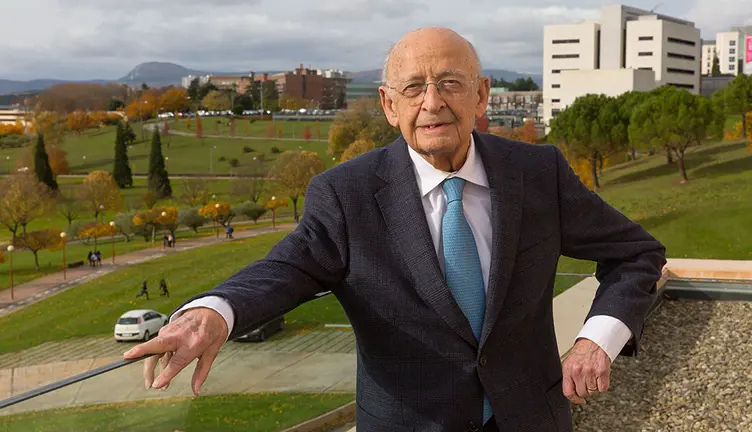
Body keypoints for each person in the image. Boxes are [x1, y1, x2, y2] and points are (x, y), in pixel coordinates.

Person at [124, 27, 666, 431]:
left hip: (532, 419)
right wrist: (213, 312)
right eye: (414, 88)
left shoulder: (537, 173)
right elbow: (286, 268)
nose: (433, 102)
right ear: (389, 105)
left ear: (481, 96)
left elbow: (636, 254)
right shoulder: (346, 194)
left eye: (451, 84)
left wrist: (596, 341)